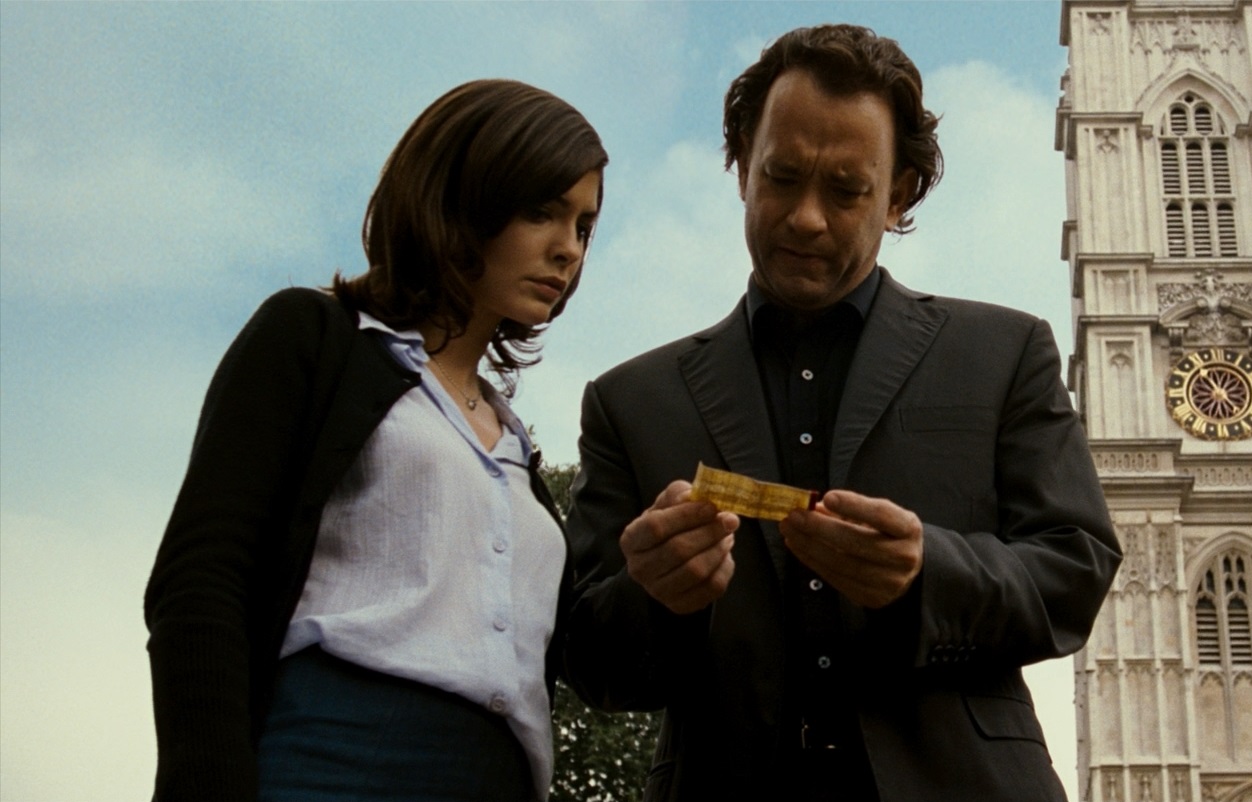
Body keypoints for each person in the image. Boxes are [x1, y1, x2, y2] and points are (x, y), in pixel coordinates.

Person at [561, 23, 1120, 802]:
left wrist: (928, 571)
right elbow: (589, 659)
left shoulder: (1005, 352)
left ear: (898, 196)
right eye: (782, 177)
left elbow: (1076, 570)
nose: (806, 217)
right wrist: (651, 595)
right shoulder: (629, 402)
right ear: (741, 169)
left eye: (846, 190)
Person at [143, 79, 607, 802]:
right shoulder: (313, 337)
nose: (567, 249)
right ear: (460, 197)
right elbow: (201, 578)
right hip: (331, 762)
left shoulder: (518, 454)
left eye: (583, 226)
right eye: (542, 211)